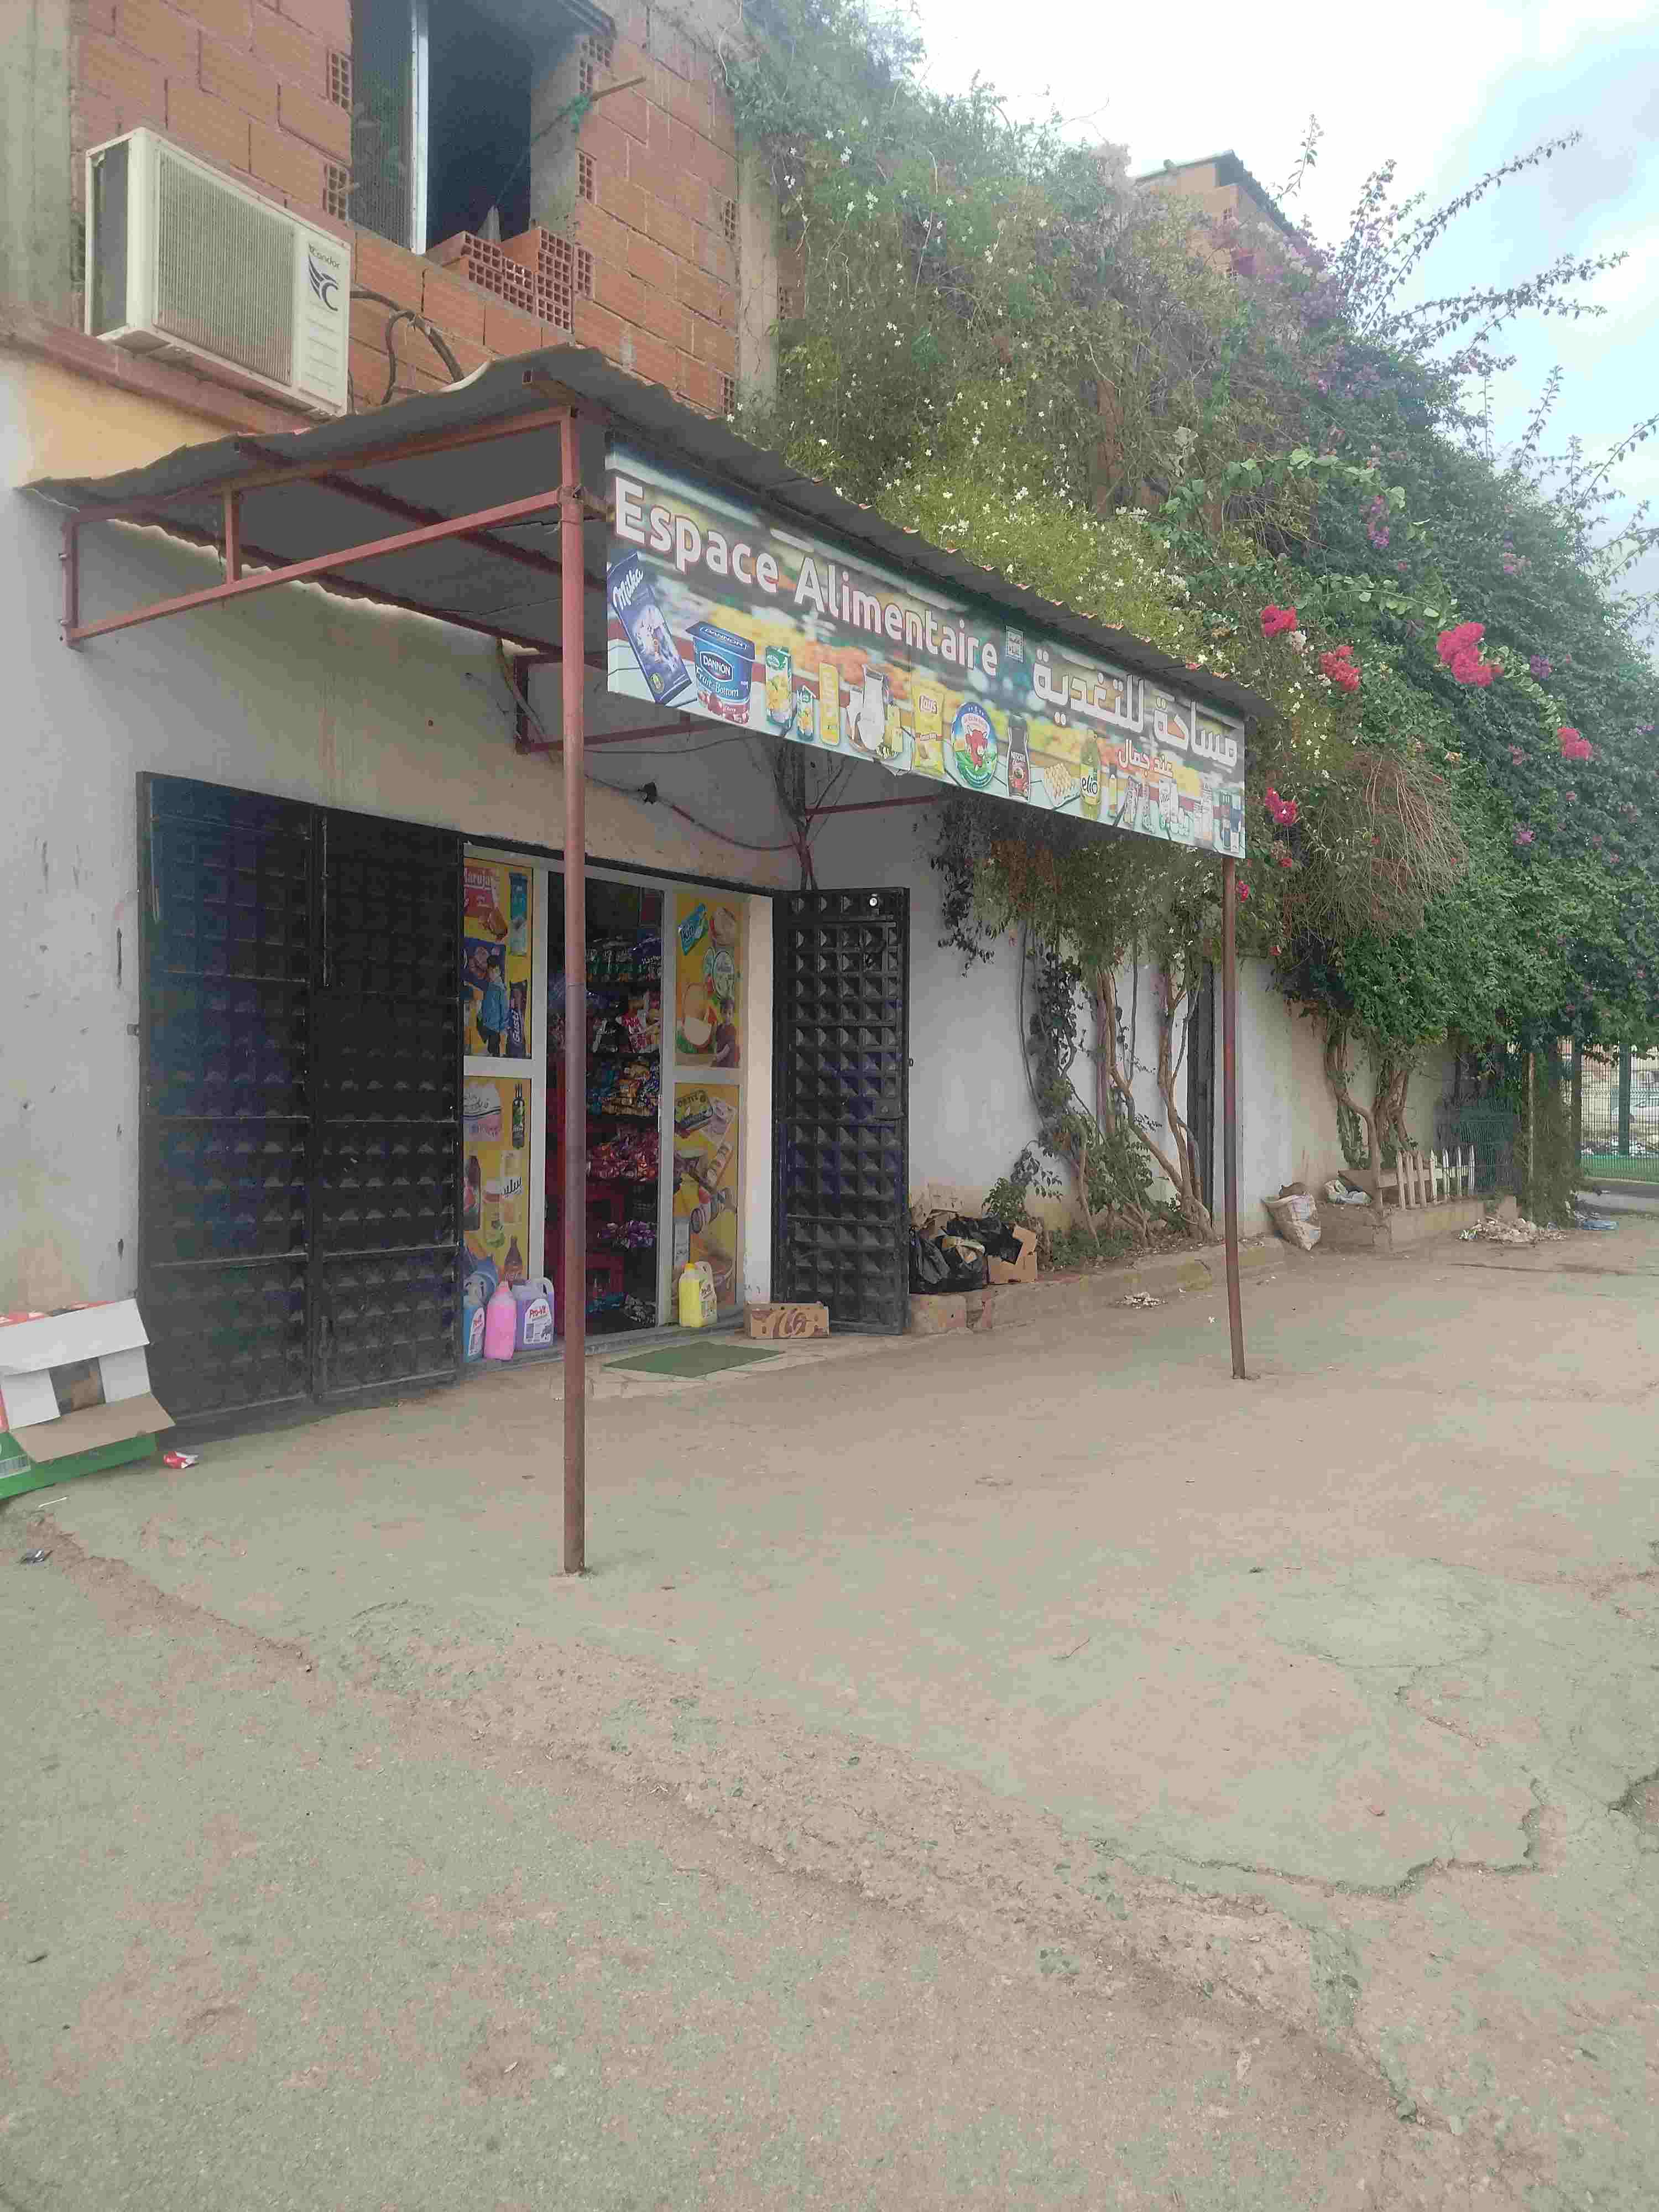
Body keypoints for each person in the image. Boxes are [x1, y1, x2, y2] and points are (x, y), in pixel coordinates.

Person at [478, 950, 508, 1057]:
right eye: (490, 971)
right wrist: (481, 1014)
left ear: (499, 972)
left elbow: (505, 1009)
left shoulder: (501, 989)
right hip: (487, 1023)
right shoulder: (489, 985)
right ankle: (490, 1053)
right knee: (489, 1046)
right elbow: (485, 1002)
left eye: (495, 971)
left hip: (495, 1026)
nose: (492, 974)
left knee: (494, 1049)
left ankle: (495, 1057)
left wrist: (503, 1027)